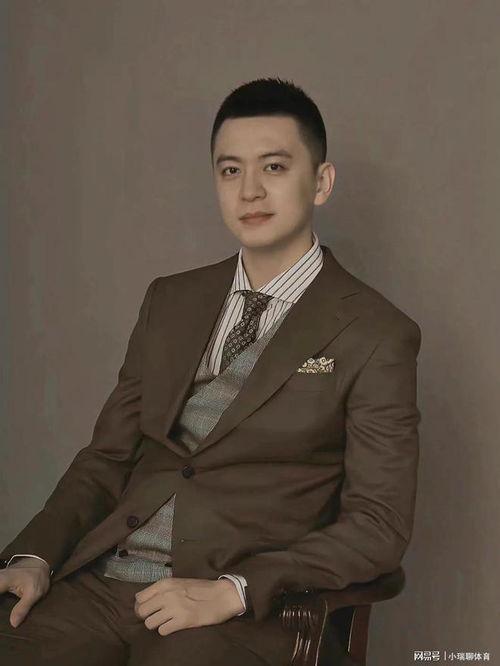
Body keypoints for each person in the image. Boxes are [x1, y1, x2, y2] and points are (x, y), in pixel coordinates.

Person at [0, 77, 421, 665]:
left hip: (238, 612)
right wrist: (34, 556)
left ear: (321, 182)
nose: (250, 190)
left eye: (274, 167)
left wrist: (235, 590)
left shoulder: (376, 333)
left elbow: (378, 523)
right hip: (104, 584)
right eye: (230, 171)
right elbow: (107, 457)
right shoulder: (170, 300)